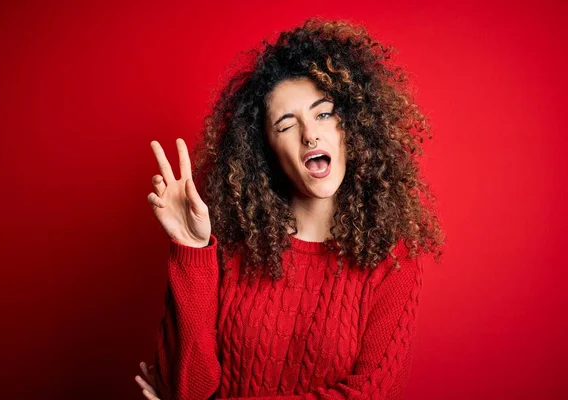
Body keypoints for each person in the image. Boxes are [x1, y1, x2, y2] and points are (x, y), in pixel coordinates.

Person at [135, 16, 445, 400]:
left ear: (351, 126)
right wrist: (191, 250)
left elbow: (371, 393)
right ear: (265, 150)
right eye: (286, 124)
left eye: (324, 114)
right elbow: (185, 389)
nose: (310, 133)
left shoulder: (393, 258)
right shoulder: (231, 244)